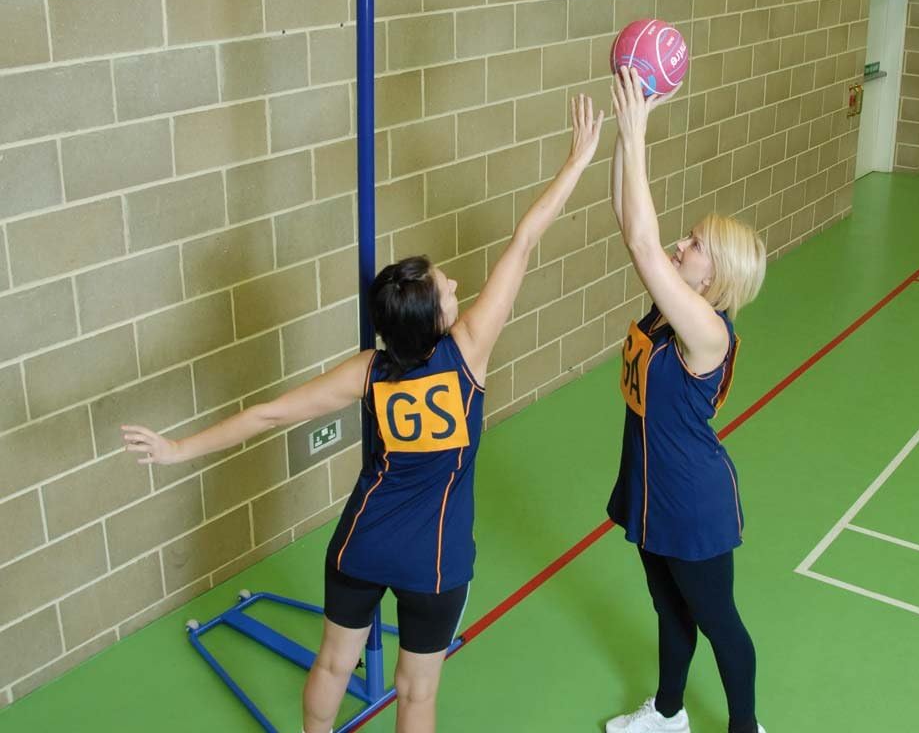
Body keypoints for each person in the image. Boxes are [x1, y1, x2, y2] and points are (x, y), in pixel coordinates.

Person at [122, 94, 604, 733]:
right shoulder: (469, 350)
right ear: (435, 317)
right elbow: (526, 238)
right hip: (434, 560)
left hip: (362, 541)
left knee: (330, 667)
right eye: (446, 286)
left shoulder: (368, 370)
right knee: (416, 693)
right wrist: (578, 159)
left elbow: (268, 415)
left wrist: (179, 449)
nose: (457, 283)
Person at [603, 67, 767, 733]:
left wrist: (641, 131)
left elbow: (644, 242)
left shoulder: (707, 331)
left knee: (718, 621)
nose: (680, 243)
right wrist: (624, 131)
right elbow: (629, 222)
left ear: (716, 273)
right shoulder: (673, 309)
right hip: (647, 482)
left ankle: (744, 727)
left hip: (691, 498)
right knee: (667, 610)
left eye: (694, 244)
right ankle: (669, 714)